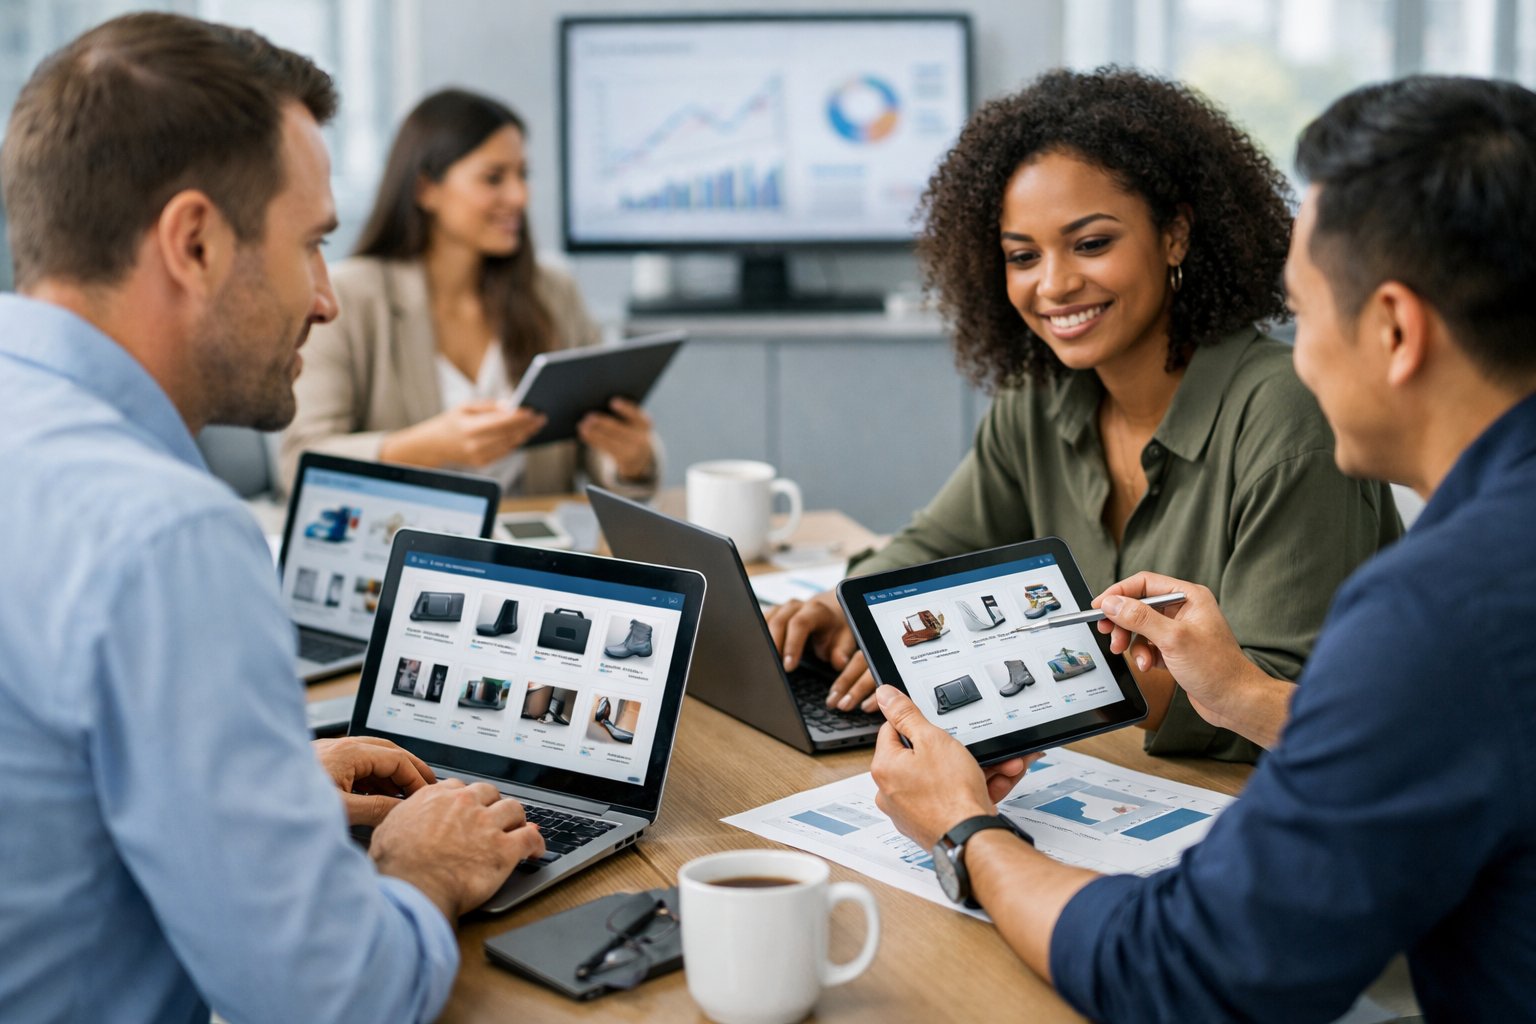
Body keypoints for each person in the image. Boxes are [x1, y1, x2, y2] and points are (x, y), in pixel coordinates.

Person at [869, 75, 1536, 1022]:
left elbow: (1186, 972)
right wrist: (1250, 699)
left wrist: (964, 830)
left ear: (1393, 329)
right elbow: (1446, 745)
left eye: (1303, 313)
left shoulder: (1440, 613)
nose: (1294, 353)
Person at [0, 15, 543, 1022]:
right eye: (312, 245)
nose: (327, 300)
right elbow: (336, 997)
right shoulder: (167, 538)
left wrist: (265, 772)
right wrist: (420, 866)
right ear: (195, 242)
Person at [768, 68, 1400, 763]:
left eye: (1091, 243)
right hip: (1115, 774)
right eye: (1021, 256)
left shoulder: (1286, 415)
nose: (1055, 284)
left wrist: (1000, 665)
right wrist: (842, 607)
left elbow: (1281, 700)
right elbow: (935, 545)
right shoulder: (1038, 399)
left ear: (1176, 235)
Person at [280, 88, 659, 497]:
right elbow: (302, 461)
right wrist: (422, 448)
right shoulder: (349, 298)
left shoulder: (553, 290)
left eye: (522, 175)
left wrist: (631, 459)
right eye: (494, 177)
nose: (519, 196)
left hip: (538, 549)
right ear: (427, 189)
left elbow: (595, 453)